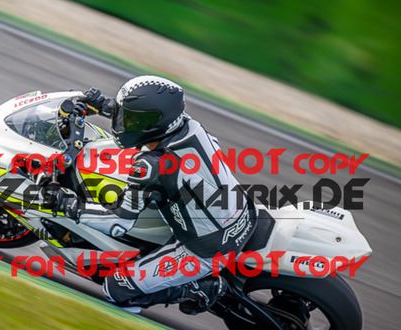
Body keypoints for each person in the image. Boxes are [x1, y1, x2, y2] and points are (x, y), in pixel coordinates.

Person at [53, 75, 257, 314]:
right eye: (125, 115)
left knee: (116, 288)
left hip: (205, 249)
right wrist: (105, 106)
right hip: (242, 211)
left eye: (129, 118)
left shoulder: (152, 165)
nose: (124, 122)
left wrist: (67, 205)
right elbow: (149, 121)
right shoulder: (188, 125)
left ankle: (199, 289)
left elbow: (118, 222)